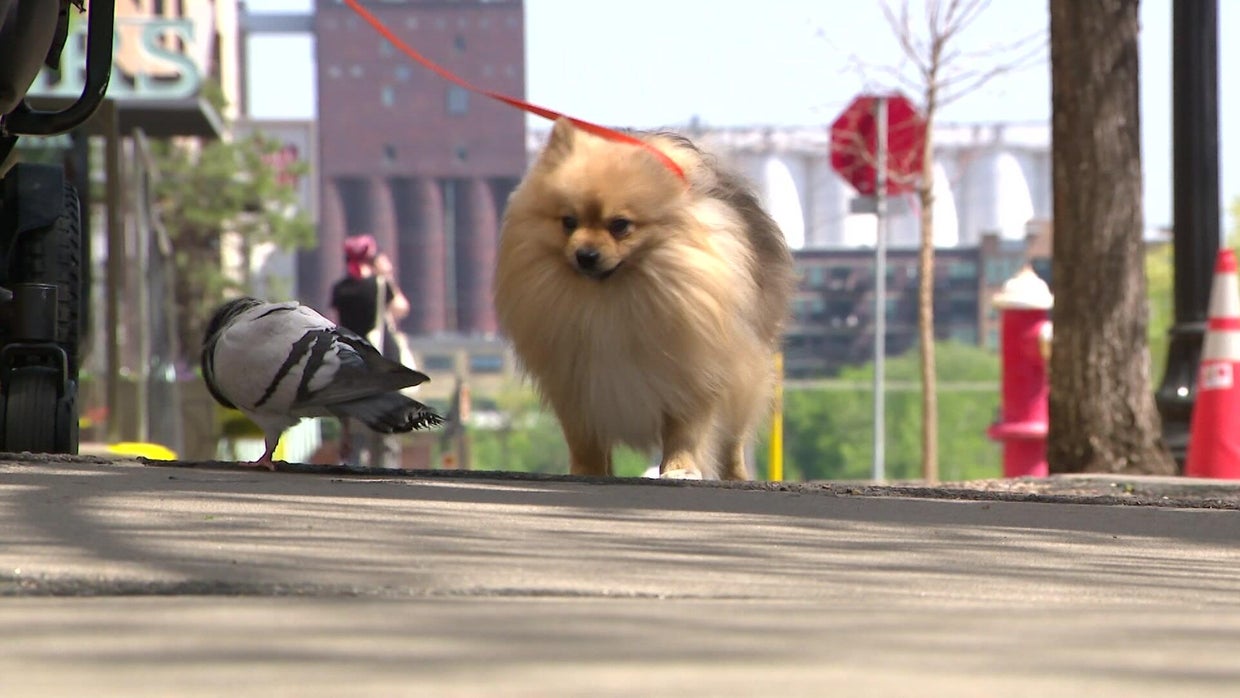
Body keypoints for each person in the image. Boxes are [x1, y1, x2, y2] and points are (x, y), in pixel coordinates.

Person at [329, 234, 412, 468]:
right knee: (386, 432)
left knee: (357, 432)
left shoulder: (340, 290)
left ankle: (355, 481)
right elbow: (401, 309)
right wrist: (386, 275)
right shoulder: (379, 286)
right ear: (371, 258)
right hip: (384, 364)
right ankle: (386, 481)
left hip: (353, 365)